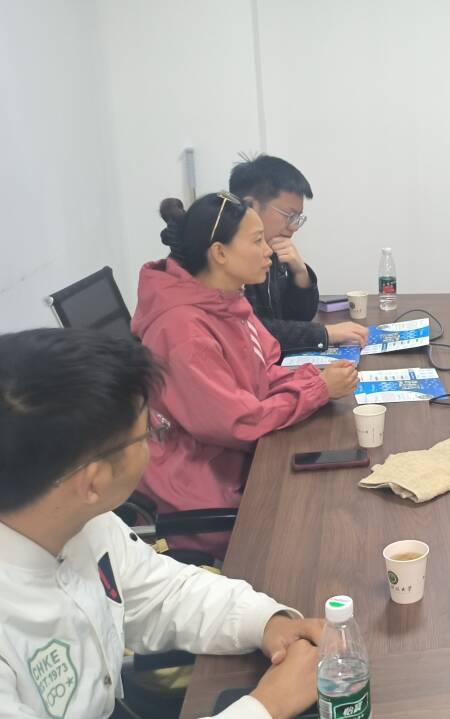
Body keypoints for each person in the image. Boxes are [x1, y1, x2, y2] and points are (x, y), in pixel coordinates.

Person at [0, 327, 322, 719]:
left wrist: (266, 621)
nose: (155, 443)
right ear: (93, 481)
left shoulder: (82, 521)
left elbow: (163, 594)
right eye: (147, 433)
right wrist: (268, 706)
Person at [132, 192, 358, 554]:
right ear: (219, 253)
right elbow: (238, 423)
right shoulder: (182, 331)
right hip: (205, 488)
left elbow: (262, 373)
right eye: (256, 242)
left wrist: (316, 380)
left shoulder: (225, 299)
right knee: (325, 528)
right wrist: (317, 389)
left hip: (238, 460)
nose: (268, 251)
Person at [229, 154, 367, 352]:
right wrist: (324, 334)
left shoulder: (271, 249)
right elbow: (251, 331)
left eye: (298, 218)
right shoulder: (225, 260)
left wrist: (300, 275)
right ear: (250, 206)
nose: (293, 227)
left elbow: (296, 318)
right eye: (289, 215)